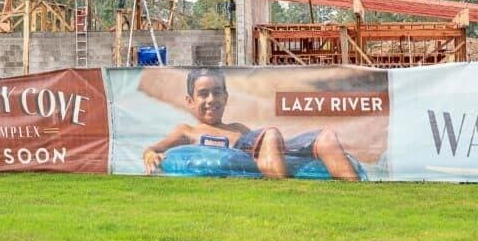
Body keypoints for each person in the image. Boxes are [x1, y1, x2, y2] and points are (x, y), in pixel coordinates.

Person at [142, 68, 360, 180]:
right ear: (190, 101)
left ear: (226, 97)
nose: (211, 100)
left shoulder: (237, 129)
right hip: (261, 142)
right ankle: (286, 192)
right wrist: (151, 156)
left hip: (266, 144)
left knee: (327, 137)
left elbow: (262, 148)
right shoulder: (187, 131)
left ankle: (358, 198)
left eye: (217, 93)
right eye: (203, 94)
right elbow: (152, 149)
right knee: (271, 134)